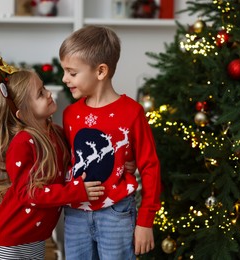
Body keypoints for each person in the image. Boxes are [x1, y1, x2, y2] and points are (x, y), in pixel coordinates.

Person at [0, 39, 105, 260]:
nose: (48, 93)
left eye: (44, 87)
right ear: (23, 113)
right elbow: (30, 193)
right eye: (39, 94)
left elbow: (76, 161)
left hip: (37, 237)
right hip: (12, 240)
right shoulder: (22, 142)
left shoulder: (55, 132)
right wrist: (75, 192)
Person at [59, 25, 162, 259]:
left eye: (72, 73)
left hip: (116, 213)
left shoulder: (132, 113)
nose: (64, 79)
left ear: (101, 71)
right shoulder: (70, 115)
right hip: (75, 214)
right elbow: (66, 162)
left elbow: (150, 167)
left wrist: (145, 222)